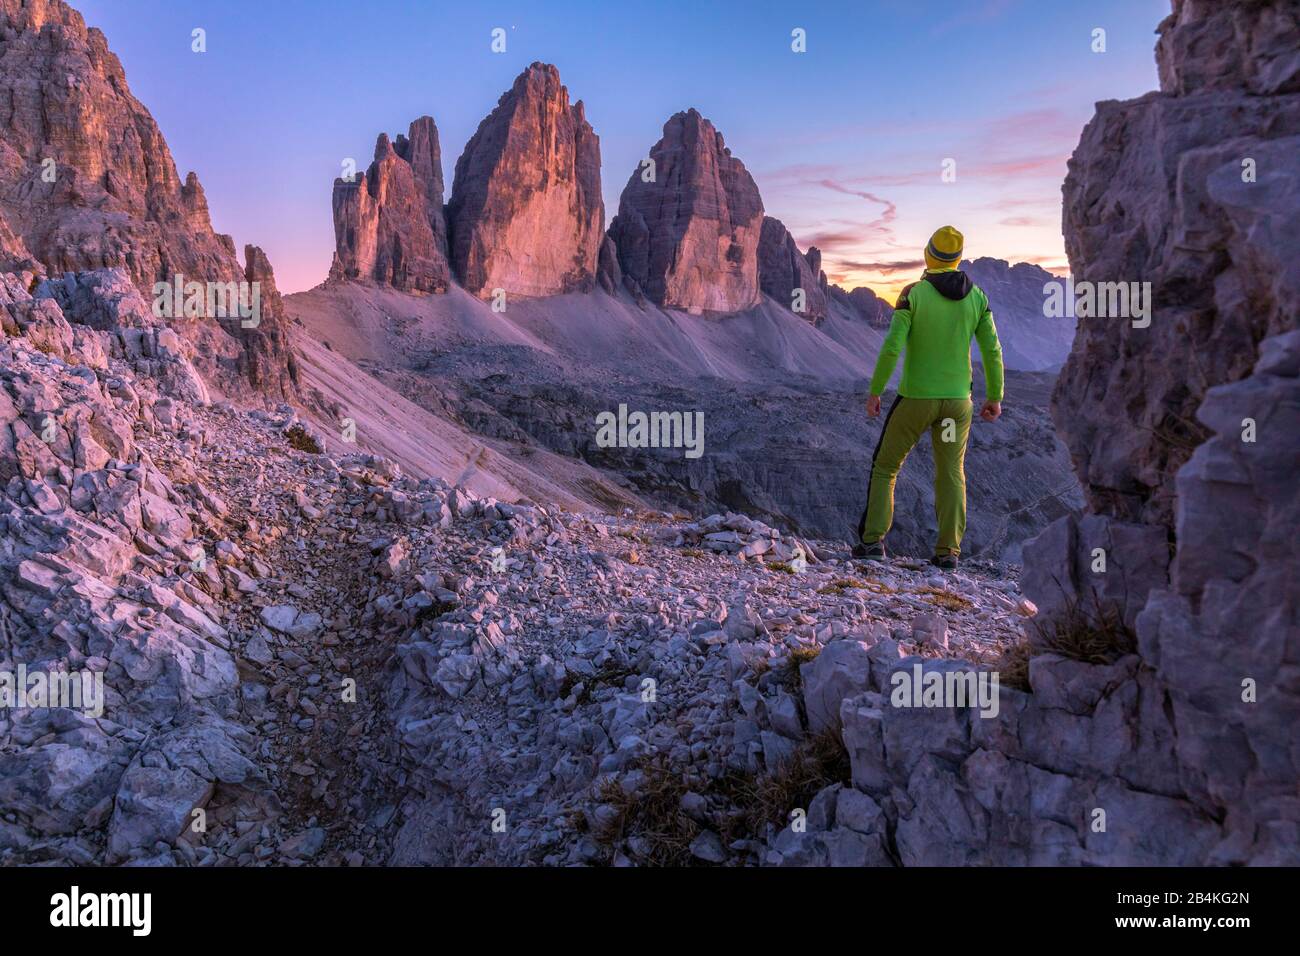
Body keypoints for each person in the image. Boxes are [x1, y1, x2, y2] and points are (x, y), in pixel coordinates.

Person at [855, 225, 1004, 571]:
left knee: (886, 467)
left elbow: (892, 347)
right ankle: (948, 552)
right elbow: (993, 350)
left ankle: (872, 543)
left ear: (928, 254)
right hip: (957, 405)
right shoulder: (978, 298)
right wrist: (995, 396)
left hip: (915, 401)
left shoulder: (913, 294)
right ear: (957, 259)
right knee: (951, 471)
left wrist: (876, 390)